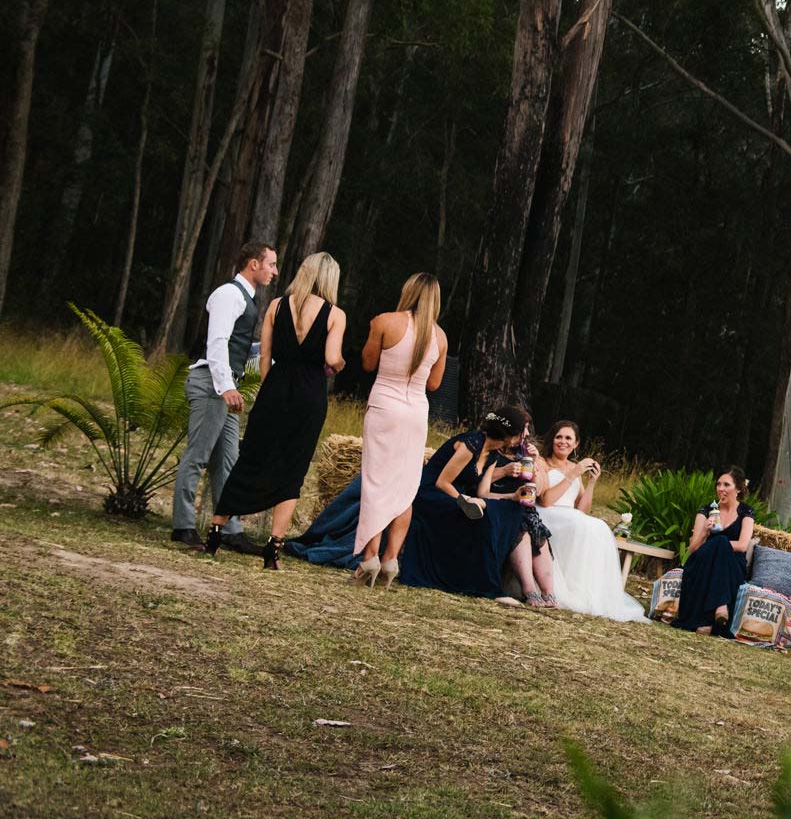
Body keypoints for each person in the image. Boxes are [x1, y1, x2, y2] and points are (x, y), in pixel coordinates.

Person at [206, 251, 345, 569]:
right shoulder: (335, 314)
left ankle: (215, 531)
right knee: (293, 469)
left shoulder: (276, 306)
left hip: (275, 389)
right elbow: (332, 357)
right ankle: (273, 549)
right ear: (330, 279)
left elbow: (265, 356)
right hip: (309, 395)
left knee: (251, 457)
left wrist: (273, 390)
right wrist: (339, 364)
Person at [171, 241, 277, 547]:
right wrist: (226, 386)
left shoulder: (248, 298)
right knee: (198, 456)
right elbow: (217, 342)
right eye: (271, 264)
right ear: (253, 264)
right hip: (212, 385)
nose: (275, 271)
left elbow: (240, 347)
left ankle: (230, 530)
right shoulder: (229, 294)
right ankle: (182, 525)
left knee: (228, 461)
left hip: (227, 386)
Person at [399, 406, 559, 606]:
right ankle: (486, 587)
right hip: (434, 494)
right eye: (521, 432)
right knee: (483, 514)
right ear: (509, 434)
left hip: (463, 497)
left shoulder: (492, 453)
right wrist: (464, 500)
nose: (523, 437)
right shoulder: (471, 443)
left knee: (511, 509)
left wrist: (513, 496)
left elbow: (483, 493)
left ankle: (487, 584)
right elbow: (442, 482)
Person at [352, 273, 446, 588]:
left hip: (385, 407)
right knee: (405, 489)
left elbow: (367, 363)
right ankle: (392, 560)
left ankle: (370, 557)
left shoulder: (385, 322)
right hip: (416, 412)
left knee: (377, 483)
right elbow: (434, 384)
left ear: (408, 291)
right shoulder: (440, 337)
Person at [535, 420, 646, 622]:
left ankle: (585, 588)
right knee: (581, 524)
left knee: (598, 526)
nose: (563, 442)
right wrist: (574, 473)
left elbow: (582, 509)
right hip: (547, 513)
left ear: (576, 444)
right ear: (552, 439)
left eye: (568, 438)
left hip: (570, 516)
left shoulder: (573, 468)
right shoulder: (543, 463)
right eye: (559, 437)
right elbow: (545, 500)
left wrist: (592, 482)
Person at [671, 467, 754, 636]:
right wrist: (705, 532)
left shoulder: (746, 512)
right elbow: (693, 548)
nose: (720, 488)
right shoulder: (707, 510)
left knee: (721, 542)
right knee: (719, 541)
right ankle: (720, 606)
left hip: (732, 564)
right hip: (703, 560)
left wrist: (718, 544)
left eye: (726, 485)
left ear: (738, 489)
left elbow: (743, 545)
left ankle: (705, 622)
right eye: (718, 484)